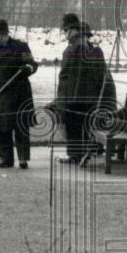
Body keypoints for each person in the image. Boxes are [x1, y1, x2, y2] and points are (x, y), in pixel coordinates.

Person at [0, 19, 38, 169]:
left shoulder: (21, 47)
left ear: (5, 34)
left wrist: (28, 68)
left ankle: (23, 158)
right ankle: (6, 159)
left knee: (20, 126)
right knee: (3, 128)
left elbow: (33, 65)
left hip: (20, 92)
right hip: (1, 94)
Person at [54, 20, 107, 165]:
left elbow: (100, 75)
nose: (65, 34)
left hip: (85, 97)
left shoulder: (90, 51)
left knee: (80, 123)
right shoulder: (71, 50)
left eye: (67, 30)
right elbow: (65, 75)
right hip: (72, 95)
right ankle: (76, 155)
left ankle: (82, 154)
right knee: (72, 124)